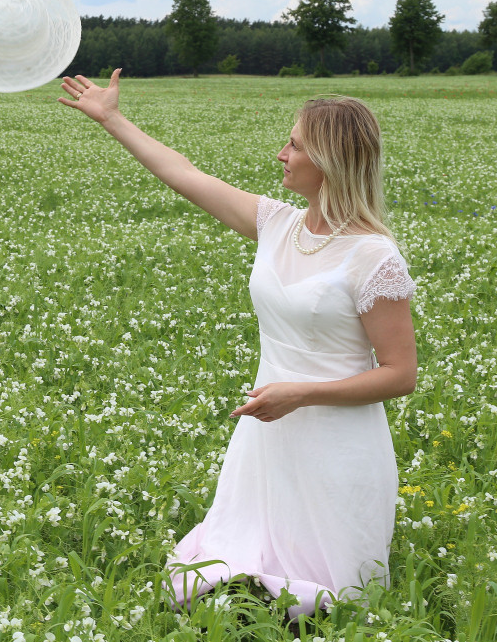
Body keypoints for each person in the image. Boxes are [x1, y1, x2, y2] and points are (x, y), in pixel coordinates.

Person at [58, 70, 417, 618]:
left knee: (331, 607)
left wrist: (299, 394)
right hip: (267, 436)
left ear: (329, 161)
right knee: (224, 590)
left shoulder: (373, 257)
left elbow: (400, 373)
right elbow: (183, 174)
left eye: (294, 144)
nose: (281, 154)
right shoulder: (279, 225)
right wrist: (111, 118)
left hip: (336, 445)